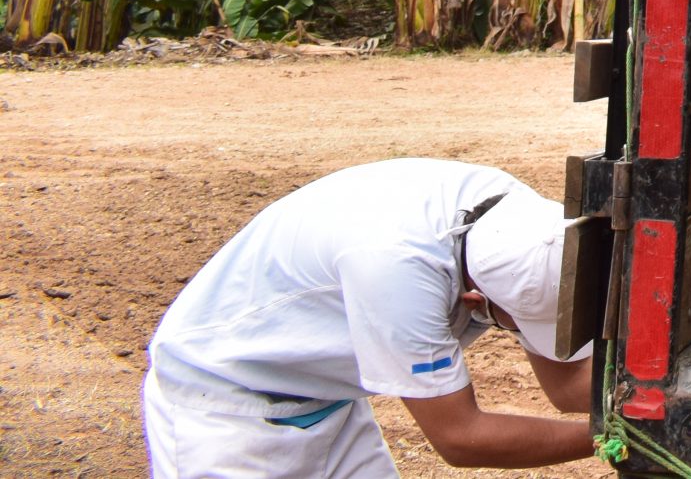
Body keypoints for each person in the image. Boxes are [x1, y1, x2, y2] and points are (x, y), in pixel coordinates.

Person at [143, 158, 595, 476]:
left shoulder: (527, 227)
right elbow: (460, 436)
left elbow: (568, 385)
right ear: (474, 301)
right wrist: (615, 440)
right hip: (226, 406)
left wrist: (657, 406)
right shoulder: (396, 274)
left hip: (328, 404)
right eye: (520, 324)